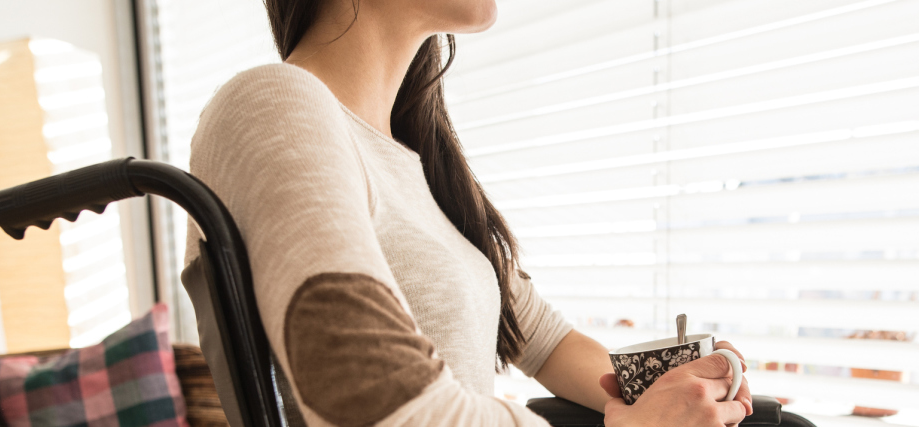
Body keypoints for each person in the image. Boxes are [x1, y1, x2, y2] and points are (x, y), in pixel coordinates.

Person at [180, 0, 753, 425]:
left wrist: (681, 382)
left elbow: (547, 343)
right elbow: (368, 396)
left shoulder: (420, 167)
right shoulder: (273, 103)